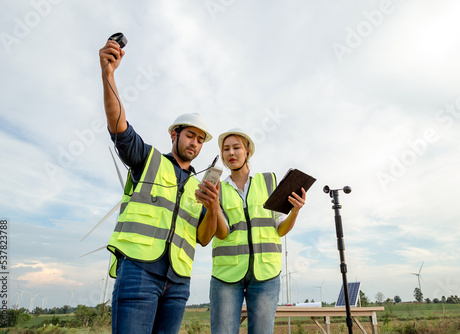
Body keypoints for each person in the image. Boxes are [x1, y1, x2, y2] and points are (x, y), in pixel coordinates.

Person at [99, 39, 219, 333]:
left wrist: (213, 207)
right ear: (174, 135)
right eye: (190, 135)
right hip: (138, 272)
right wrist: (108, 75)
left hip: (178, 283)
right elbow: (119, 127)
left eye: (201, 140)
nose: (195, 143)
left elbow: (204, 238)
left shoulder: (200, 187)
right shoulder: (148, 159)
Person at [210, 128, 306, 334]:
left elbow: (280, 229)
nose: (231, 153)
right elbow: (222, 232)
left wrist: (295, 211)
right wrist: (213, 205)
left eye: (236, 148)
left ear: (248, 152)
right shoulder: (217, 188)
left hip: (266, 274)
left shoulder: (268, 182)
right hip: (227, 274)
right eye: (226, 149)